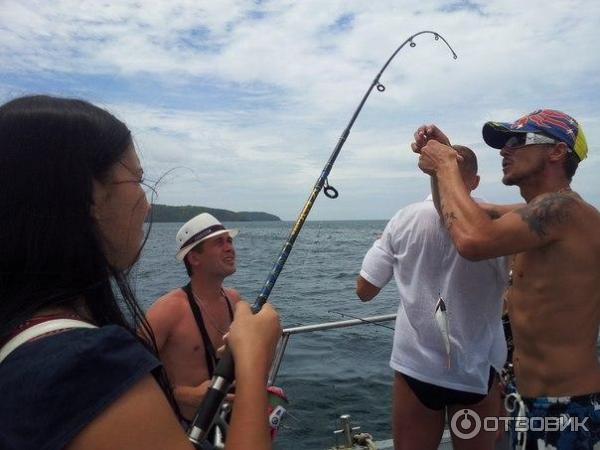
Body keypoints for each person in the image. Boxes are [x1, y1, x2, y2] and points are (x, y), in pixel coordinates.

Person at [0, 95, 281, 450]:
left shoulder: (25, 337)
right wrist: (256, 358)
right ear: (89, 197)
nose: (147, 204)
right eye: (137, 181)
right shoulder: (86, 365)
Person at [413, 109, 600, 449]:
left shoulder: (564, 211)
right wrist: (448, 159)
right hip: (524, 398)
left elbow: (473, 241)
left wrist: (445, 166)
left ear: (557, 151)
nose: (504, 150)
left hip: (564, 406)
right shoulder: (535, 214)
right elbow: (455, 214)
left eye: (517, 141)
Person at [356, 145, 508, 450]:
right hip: (477, 371)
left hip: (417, 370)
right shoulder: (499, 223)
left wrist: (387, 251)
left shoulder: (403, 219)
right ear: (474, 181)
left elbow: (365, 291)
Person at [145, 213, 242, 422]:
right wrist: (186, 395)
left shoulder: (235, 300)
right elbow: (130, 374)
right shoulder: (168, 310)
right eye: (219, 242)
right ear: (194, 258)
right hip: (185, 429)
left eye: (229, 240)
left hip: (231, 422)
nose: (229, 248)